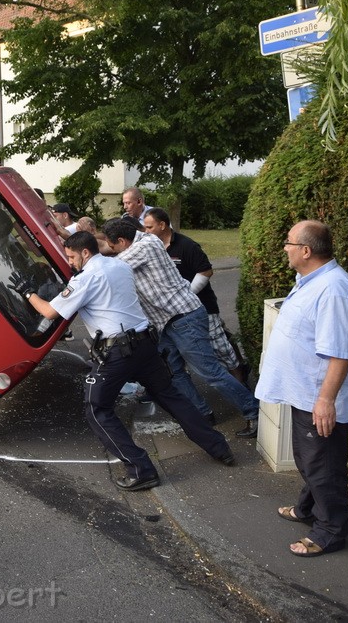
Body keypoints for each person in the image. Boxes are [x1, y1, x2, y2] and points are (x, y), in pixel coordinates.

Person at [17, 231, 235, 491]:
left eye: (72, 257)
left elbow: (50, 311)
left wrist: (29, 293)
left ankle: (141, 469)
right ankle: (220, 448)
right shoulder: (119, 265)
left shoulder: (86, 279)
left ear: (85, 253)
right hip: (145, 345)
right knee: (172, 397)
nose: (71, 262)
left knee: (97, 409)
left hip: (117, 353)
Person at [255, 220, 348, 557]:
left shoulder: (333, 289)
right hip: (305, 394)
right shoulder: (310, 281)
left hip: (319, 399)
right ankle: (307, 509)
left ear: (305, 250)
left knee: (323, 465)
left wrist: (326, 400)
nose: (284, 248)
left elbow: (340, 352)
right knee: (309, 459)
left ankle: (331, 531)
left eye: (288, 242)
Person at [102, 218, 259, 436]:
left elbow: (111, 267)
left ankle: (254, 413)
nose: (111, 251)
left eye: (113, 247)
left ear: (121, 240)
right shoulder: (139, 243)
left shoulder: (146, 245)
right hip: (167, 322)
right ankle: (202, 414)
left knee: (210, 372)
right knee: (173, 372)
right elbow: (106, 251)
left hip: (184, 318)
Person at [143, 207, 249, 385]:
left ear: (162, 225)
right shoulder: (152, 248)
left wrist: (187, 295)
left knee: (220, 347)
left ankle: (241, 377)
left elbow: (206, 271)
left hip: (203, 306)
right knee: (179, 352)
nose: (146, 232)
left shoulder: (187, 246)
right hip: (172, 313)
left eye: (149, 227)